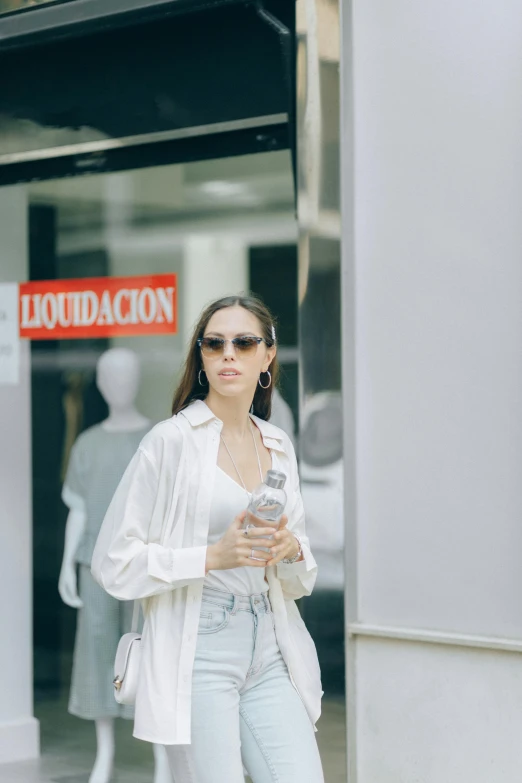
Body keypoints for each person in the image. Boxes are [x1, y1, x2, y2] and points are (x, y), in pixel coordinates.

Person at [91, 295, 324, 783]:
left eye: (244, 342)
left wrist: (291, 550)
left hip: (270, 642)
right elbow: (113, 562)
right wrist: (210, 557)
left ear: (268, 355)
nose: (228, 354)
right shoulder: (169, 442)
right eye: (214, 344)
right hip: (200, 648)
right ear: (201, 357)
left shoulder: (278, 446)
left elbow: (301, 577)